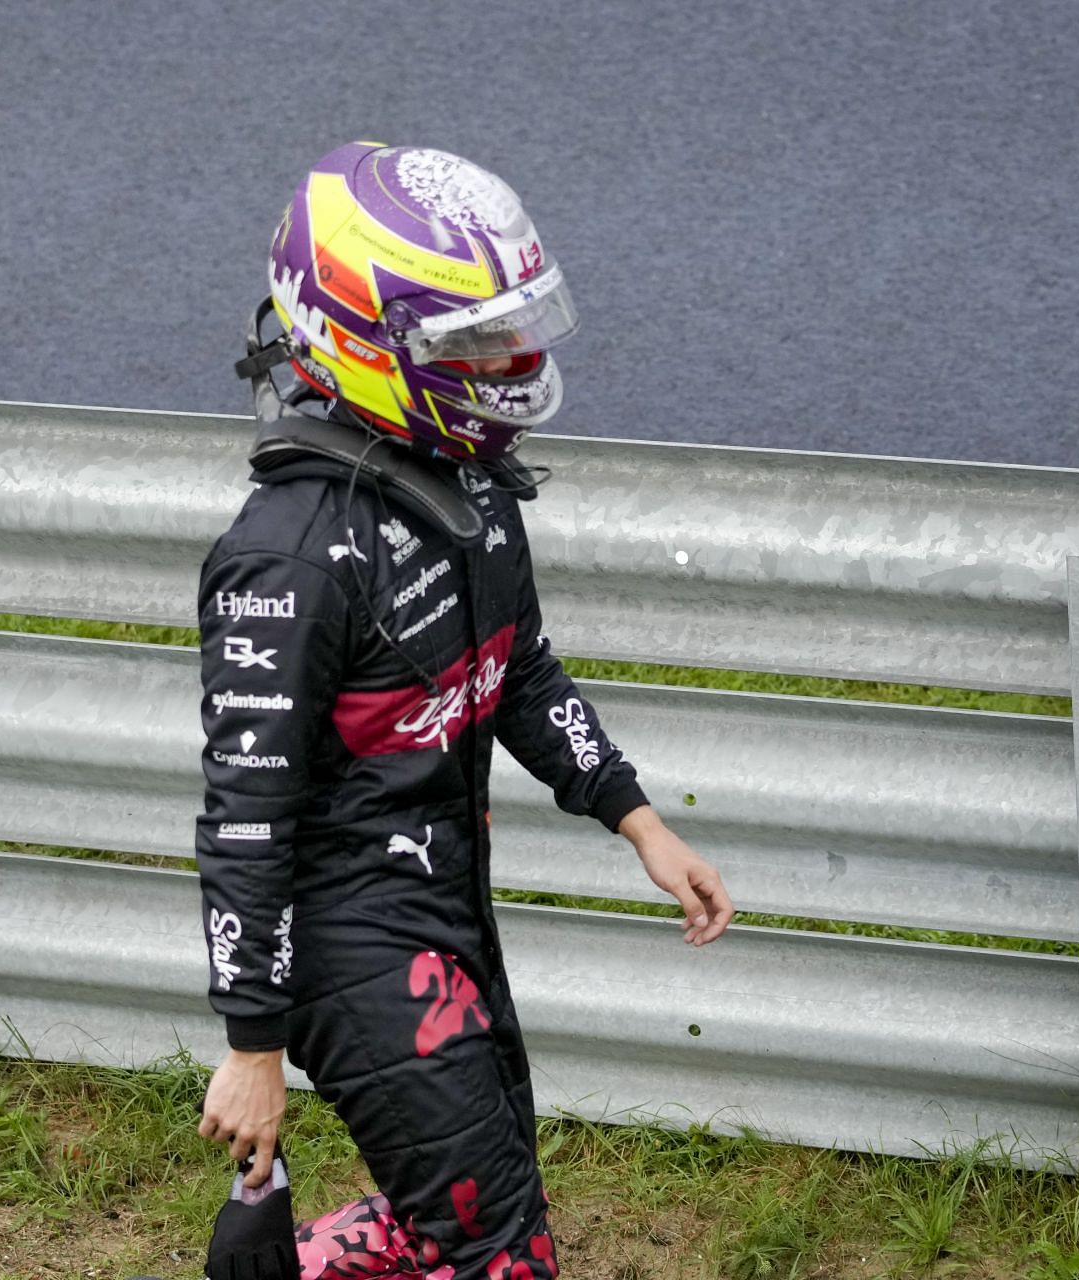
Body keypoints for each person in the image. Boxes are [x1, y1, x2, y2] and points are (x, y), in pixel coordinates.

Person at [191, 142, 734, 1280]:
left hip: (447, 910)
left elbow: (518, 667)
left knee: (482, 1200)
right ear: (367, 339)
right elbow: (243, 823)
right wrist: (253, 1045)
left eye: (512, 330)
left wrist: (640, 820)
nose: (509, 361)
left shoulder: (471, 478)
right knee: (496, 1245)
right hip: (352, 946)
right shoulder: (285, 556)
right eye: (476, 339)